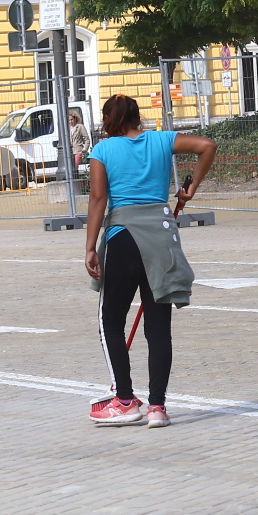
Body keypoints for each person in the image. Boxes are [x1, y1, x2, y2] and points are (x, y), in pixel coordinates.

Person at [84, 95, 216, 428]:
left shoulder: (103, 151)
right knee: (158, 329)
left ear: (108, 120)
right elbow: (206, 145)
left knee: (110, 321)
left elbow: (99, 197)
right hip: (161, 238)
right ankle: (157, 407)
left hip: (123, 236)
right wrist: (191, 189)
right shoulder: (161, 139)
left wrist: (89, 247)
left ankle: (125, 400)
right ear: (136, 117)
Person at [65, 108, 92, 182]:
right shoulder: (68, 128)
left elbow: (87, 139)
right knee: (70, 167)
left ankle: (74, 181)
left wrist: (84, 150)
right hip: (70, 152)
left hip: (78, 150)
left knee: (75, 166)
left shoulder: (80, 127)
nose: (70, 121)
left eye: (71, 119)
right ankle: (72, 181)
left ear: (75, 119)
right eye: (69, 120)